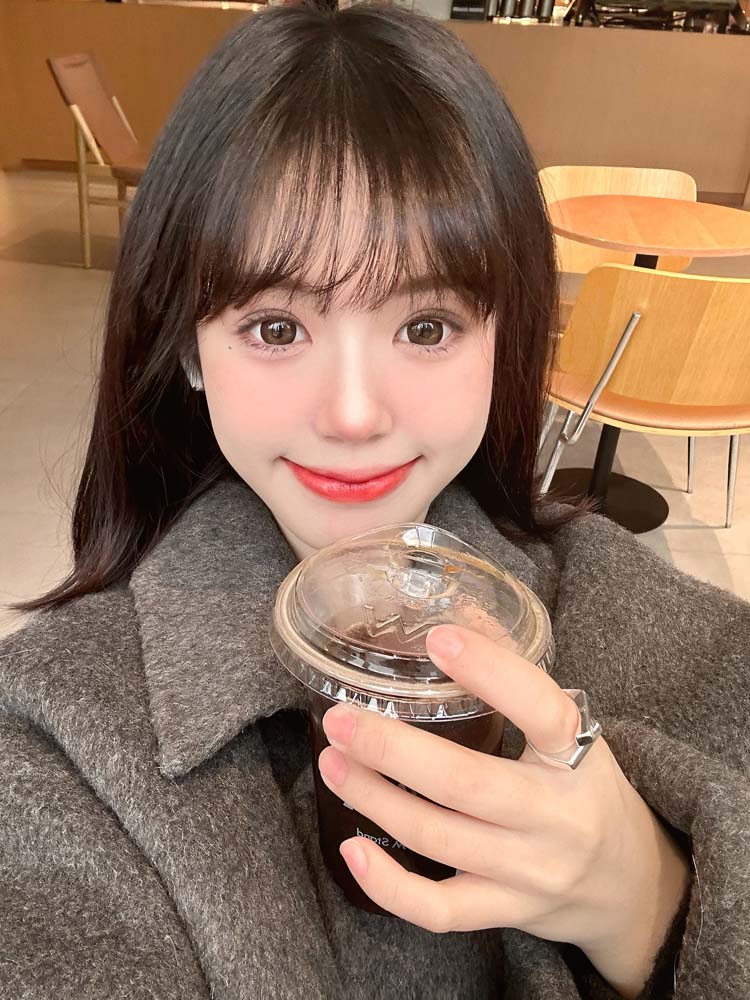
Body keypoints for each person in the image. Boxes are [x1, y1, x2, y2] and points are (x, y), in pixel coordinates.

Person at [1, 4, 748, 998]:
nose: (354, 415)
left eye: (427, 325)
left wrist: (652, 901)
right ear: (186, 346)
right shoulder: (56, 733)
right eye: (277, 328)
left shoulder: (650, 616)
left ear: (505, 335)